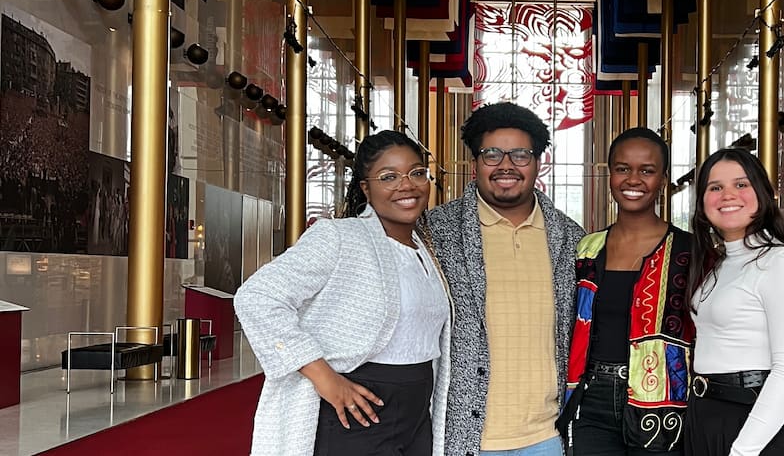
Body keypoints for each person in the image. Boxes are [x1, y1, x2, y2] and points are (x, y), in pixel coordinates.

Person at [235, 131, 451, 456]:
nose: (406, 185)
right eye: (388, 177)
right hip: (358, 405)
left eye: (417, 173)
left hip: (417, 410)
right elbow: (258, 297)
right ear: (366, 187)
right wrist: (324, 377)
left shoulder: (426, 247)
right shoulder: (339, 237)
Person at [428, 102, 585, 456]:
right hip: (465, 436)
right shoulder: (437, 232)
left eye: (520, 155)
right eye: (492, 154)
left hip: (547, 438)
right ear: (474, 165)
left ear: (538, 163)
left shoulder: (571, 239)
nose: (506, 166)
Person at [559, 128, 696, 455]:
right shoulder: (587, 249)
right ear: (610, 175)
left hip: (664, 404)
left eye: (646, 171)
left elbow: (719, 327)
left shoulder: (692, 251)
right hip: (592, 399)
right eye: (623, 169)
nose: (633, 179)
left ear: (663, 179)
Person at [684, 148, 784, 456]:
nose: (727, 195)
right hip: (706, 416)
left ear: (763, 194)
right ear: (703, 203)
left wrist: (743, 450)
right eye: (715, 187)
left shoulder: (781, 263)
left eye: (741, 185)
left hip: (755, 426)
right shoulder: (718, 264)